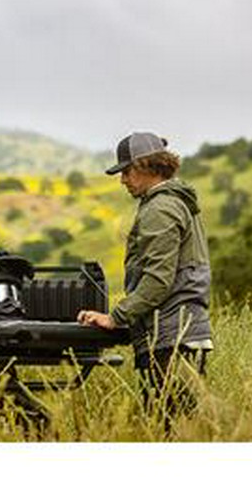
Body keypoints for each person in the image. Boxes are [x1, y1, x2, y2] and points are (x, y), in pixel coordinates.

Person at [78, 132, 212, 420]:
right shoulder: (177, 201)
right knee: (180, 428)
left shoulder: (160, 208)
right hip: (182, 335)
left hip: (169, 339)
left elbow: (158, 280)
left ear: (145, 165)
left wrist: (116, 317)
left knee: (169, 429)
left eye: (126, 171)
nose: (123, 180)